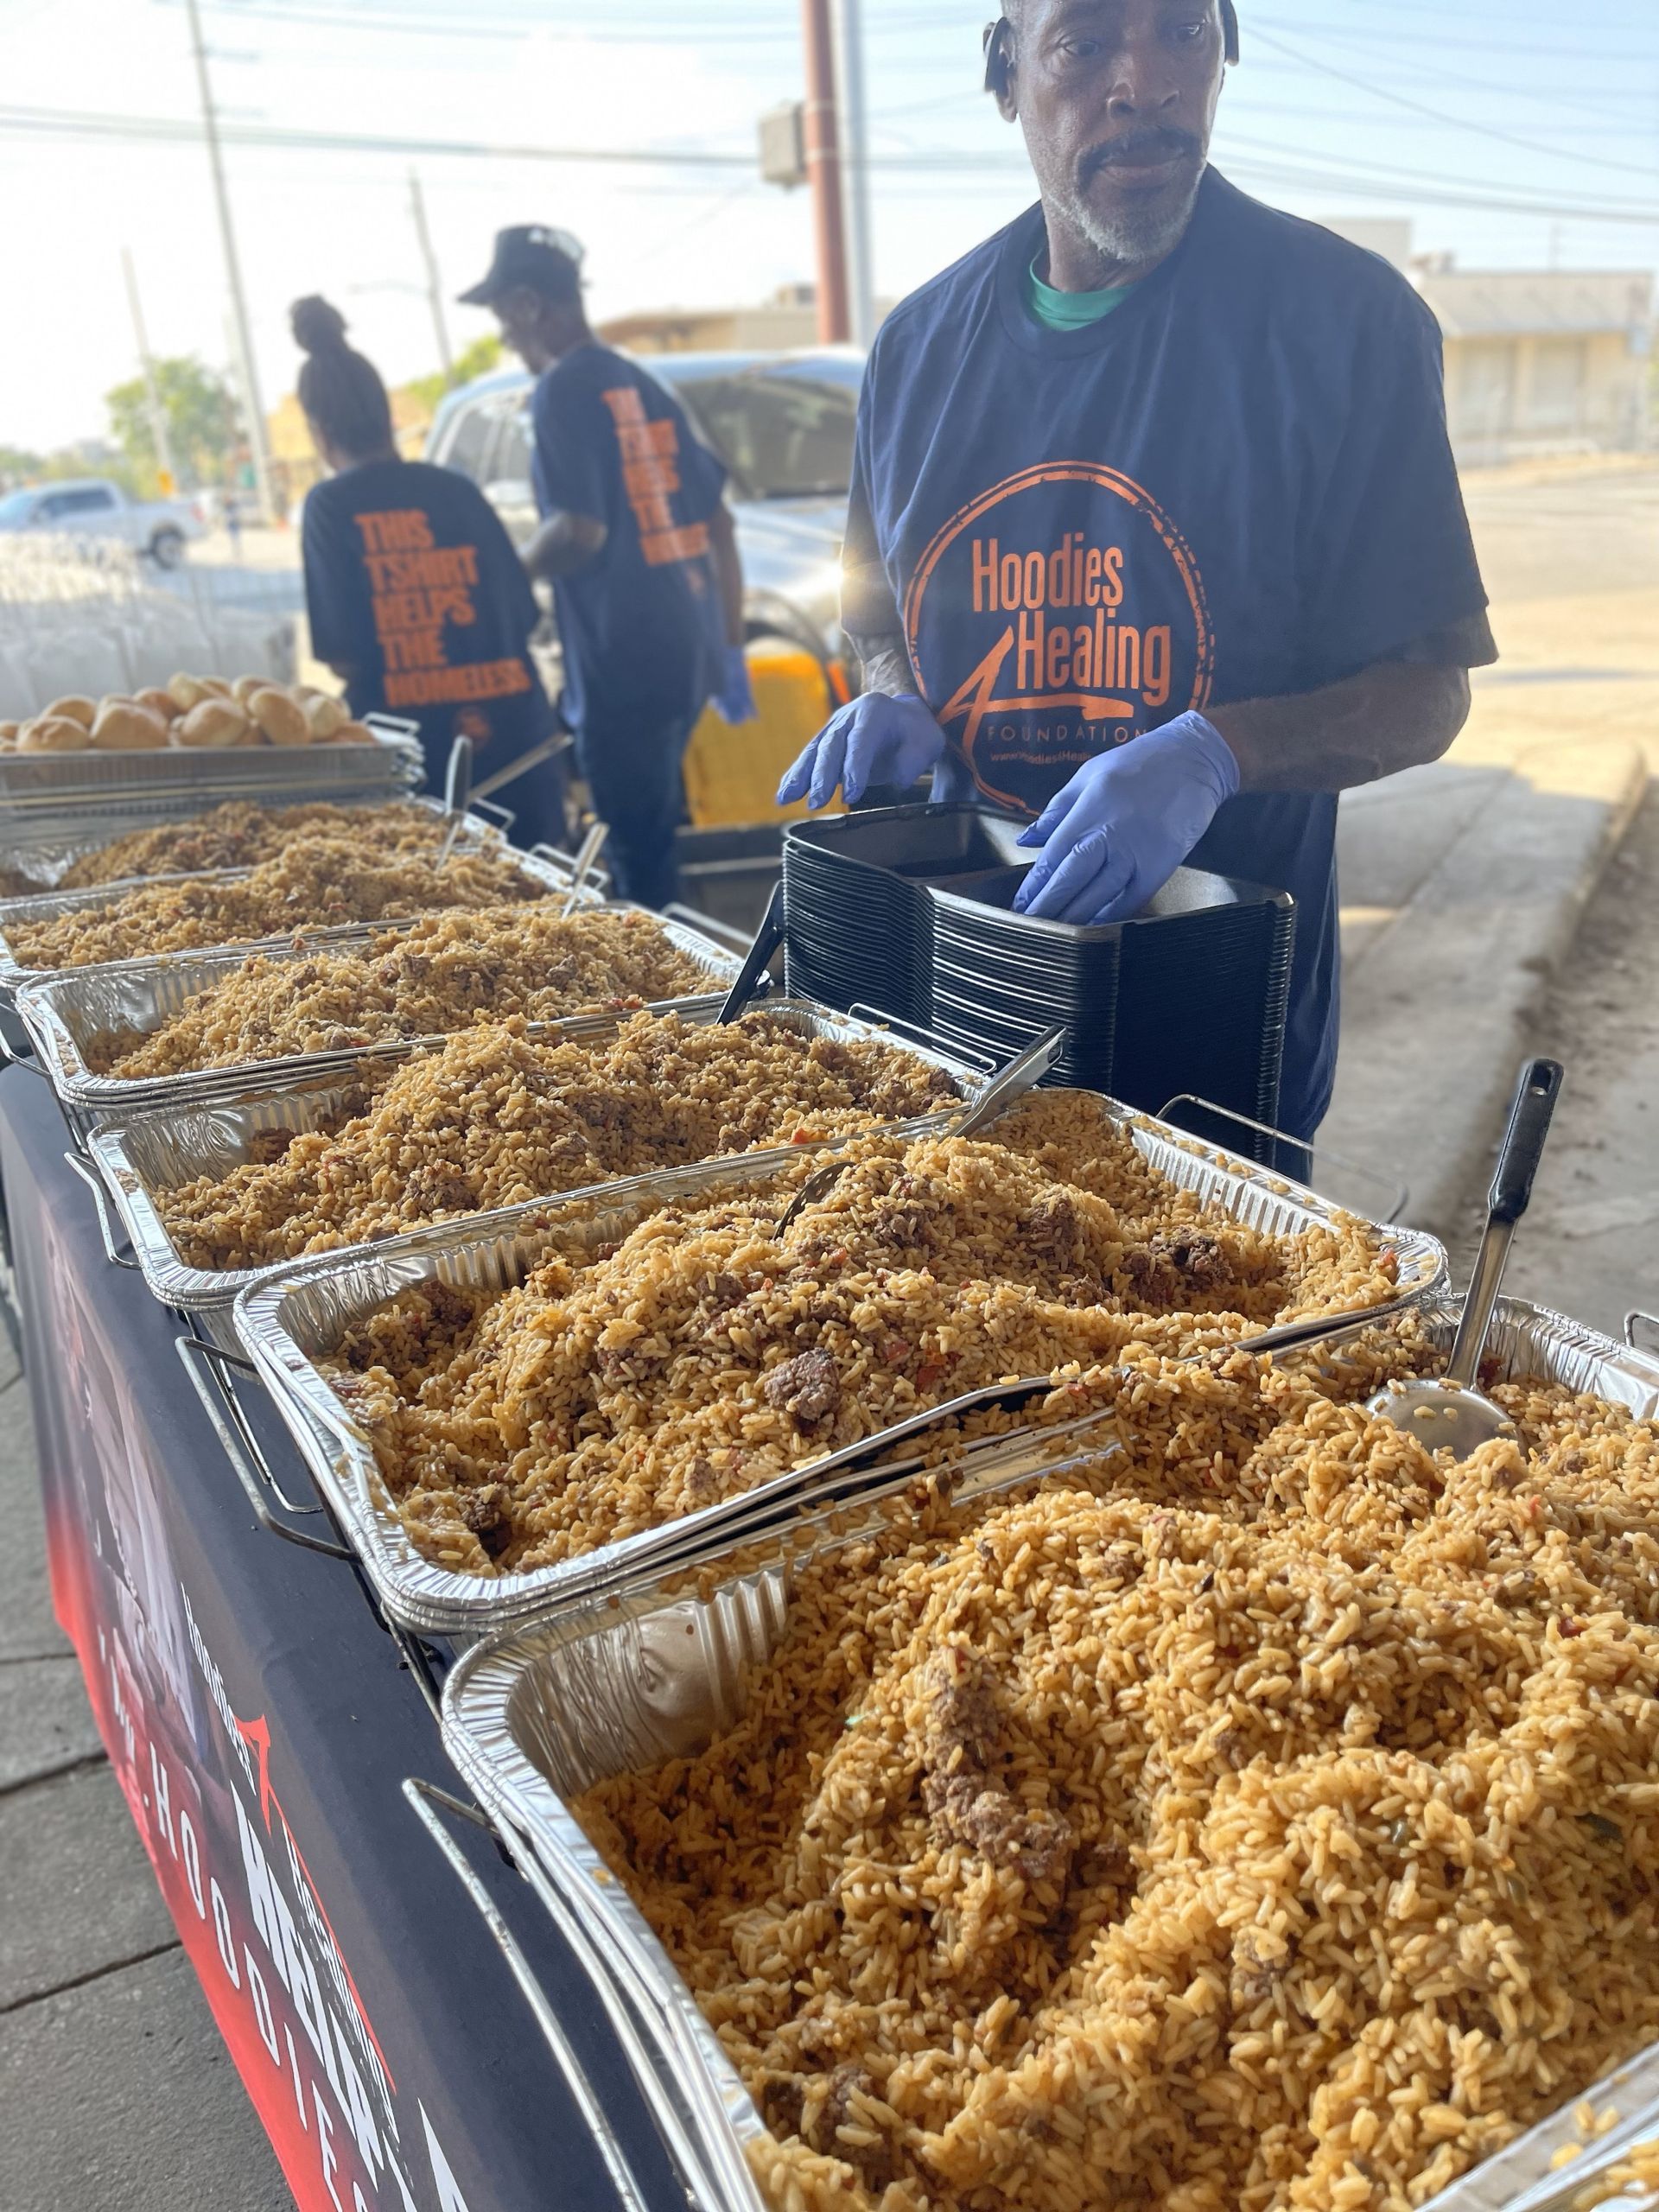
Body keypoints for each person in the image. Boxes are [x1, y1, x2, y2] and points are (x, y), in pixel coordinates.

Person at [779, 0, 1495, 1146]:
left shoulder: (1344, 325)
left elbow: (1428, 691)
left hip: (1207, 1051)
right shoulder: (915, 352)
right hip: (956, 1020)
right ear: (1008, 72)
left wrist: (1219, 752)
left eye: (1183, 33)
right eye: (1087, 40)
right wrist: (891, 692)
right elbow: (877, 617)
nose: (1146, 81)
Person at [458, 226, 755, 912]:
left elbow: (579, 532)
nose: (506, 338)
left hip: (620, 665)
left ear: (530, 305)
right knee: (654, 837)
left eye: (504, 319)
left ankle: (659, 1003)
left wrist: (510, 571)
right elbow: (721, 525)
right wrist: (728, 646)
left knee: (635, 861)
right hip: (683, 657)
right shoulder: (640, 383)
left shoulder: (561, 390)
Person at [290, 296, 565, 845]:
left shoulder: (328, 507)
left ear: (319, 432)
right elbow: (522, 613)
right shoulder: (457, 490)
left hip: (421, 769)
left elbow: (341, 653)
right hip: (519, 747)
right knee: (548, 911)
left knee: (440, 926)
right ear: (385, 417)